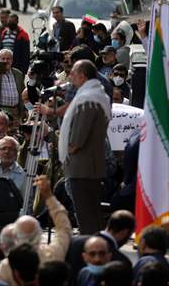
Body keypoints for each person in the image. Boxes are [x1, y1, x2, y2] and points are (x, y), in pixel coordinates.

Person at [59, 59, 111, 234]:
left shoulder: (87, 100)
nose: (70, 76)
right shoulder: (96, 97)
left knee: (86, 216)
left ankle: (91, 250)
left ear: (82, 76)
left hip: (82, 168)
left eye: (73, 73)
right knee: (91, 214)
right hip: (90, 167)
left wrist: (68, 148)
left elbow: (77, 141)